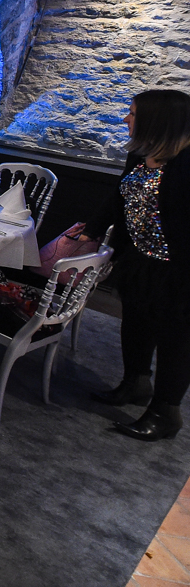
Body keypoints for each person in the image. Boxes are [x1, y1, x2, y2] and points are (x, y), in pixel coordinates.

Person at [84, 90, 190, 441]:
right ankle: (135, 384)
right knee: (135, 323)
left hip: (177, 270)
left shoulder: (185, 163)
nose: (125, 118)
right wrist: (92, 229)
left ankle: (165, 413)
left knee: (176, 340)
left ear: (157, 120)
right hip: (140, 259)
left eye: (131, 113)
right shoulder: (142, 153)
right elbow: (119, 195)